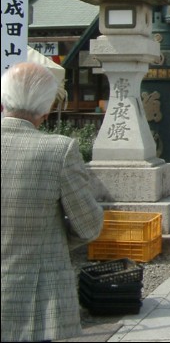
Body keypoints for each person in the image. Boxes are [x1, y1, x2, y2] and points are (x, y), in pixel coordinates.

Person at [1, 62, 105, 342]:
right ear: (46, 111)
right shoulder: (58, 150)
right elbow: (89, 225)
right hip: (35, 299)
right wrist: (54, 237)